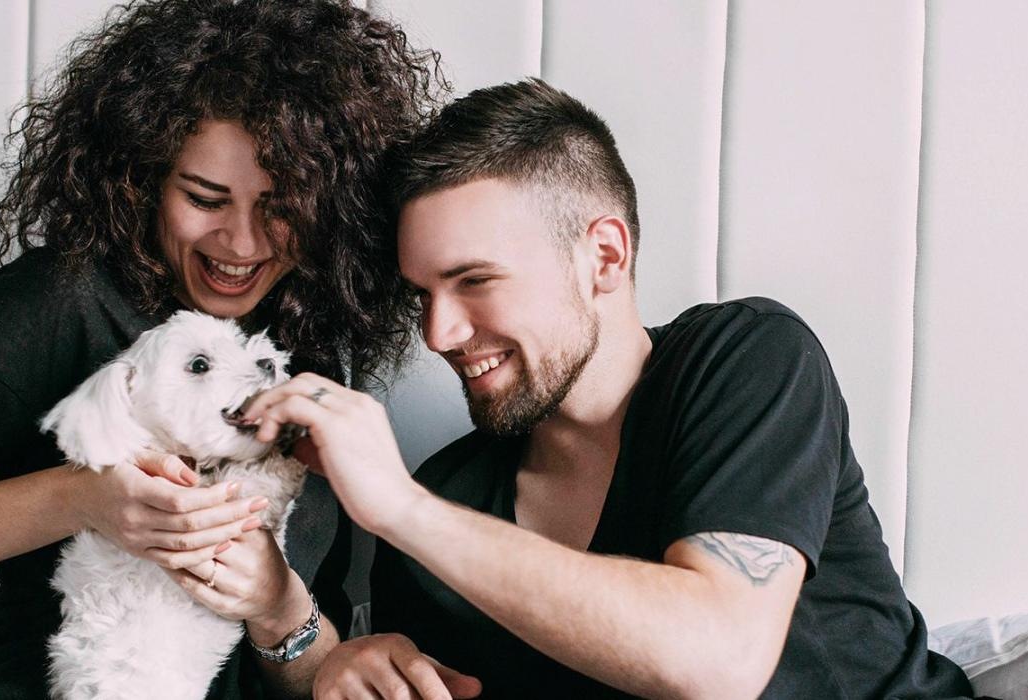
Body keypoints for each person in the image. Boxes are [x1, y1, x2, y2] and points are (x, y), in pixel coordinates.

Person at [238, 79, 981, 698]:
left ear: (604, 256)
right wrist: (342, 660)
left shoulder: (745, 358)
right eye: (423, 294)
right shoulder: (450, 502)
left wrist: (400, 507)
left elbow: (718, 658)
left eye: (475, 281)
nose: (439, 334)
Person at [0, 1, 441, 697]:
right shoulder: (62, 299)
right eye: (205, 197)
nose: (242, 244)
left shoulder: (311, 335)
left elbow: (309, 659)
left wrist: (278, 609)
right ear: (143, 176)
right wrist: (85, 499)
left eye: (282, 206)